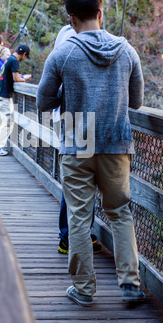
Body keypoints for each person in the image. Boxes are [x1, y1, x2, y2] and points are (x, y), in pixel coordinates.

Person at [36, 0, 145, 306]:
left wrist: (68, 95)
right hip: (116, 145)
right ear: (100, 12)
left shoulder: (63, 53)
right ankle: (130, 283)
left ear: (71, 19)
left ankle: (84, 289)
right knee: (120, 213)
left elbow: (43, 102)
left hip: (76, 145)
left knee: (79, 218)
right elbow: (136, 102)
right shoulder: (127, 51)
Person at [53, 26, 102, 256]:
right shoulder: (75, 39)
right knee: (79, 181)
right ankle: (69, 235)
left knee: (76, 178)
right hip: (77, 121)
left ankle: (74, 234)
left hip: (70, 120)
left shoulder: (64, 35)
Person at [0, 44, 31, 156]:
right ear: (24, 54)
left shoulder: (9, 59)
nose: (24, 59)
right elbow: (16, 78)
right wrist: (24, 78)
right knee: (8, 123)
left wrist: (19, 76)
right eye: (25, 57)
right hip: (4, 96)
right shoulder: (14, 61)